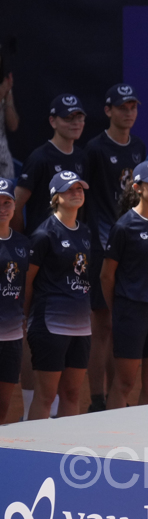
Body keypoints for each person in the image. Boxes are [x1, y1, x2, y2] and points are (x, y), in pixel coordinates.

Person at [81, 83, 146, 412]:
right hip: (100, 247)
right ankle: (96, 399)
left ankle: (113, 397)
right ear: (108, 111)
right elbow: (84, 199)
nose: (128, 112)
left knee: (120, 321)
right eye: (122, 107)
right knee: (102, 322)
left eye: (132, 106)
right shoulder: (94, 149)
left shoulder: (139, 148)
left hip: (129, 246)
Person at [100, 161, 148, 410]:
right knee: (124, 383)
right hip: (131, 311)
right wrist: (118, 309)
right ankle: (112, 442)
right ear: (137, 188)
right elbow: (106, 276)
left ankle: (145, 439)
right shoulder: (123, 226)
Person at [25, 171, 92, 420]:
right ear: (56, 197)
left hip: (81, 326)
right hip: (49, 324)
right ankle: (33, 452)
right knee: (46, 396)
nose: (76, 192)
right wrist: (29, 319)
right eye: (69, 189)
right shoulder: (44, 234)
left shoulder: (85, 232)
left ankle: (67, 449)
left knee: (72, 393)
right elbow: (27, 282)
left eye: (79, 188)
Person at [13, 94, 87, 236]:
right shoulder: (39, 158)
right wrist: (22, 240)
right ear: (53, 121)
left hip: (71, 243)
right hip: (42, 245)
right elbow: (16, 204)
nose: (75, 123)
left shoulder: (81, 157)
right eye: (68, 118)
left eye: (79, 117)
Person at [0, 178, 28, 425]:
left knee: (3, 405)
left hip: (11, 337)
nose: (2, 208)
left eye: (7, 202)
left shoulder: (22, 244)